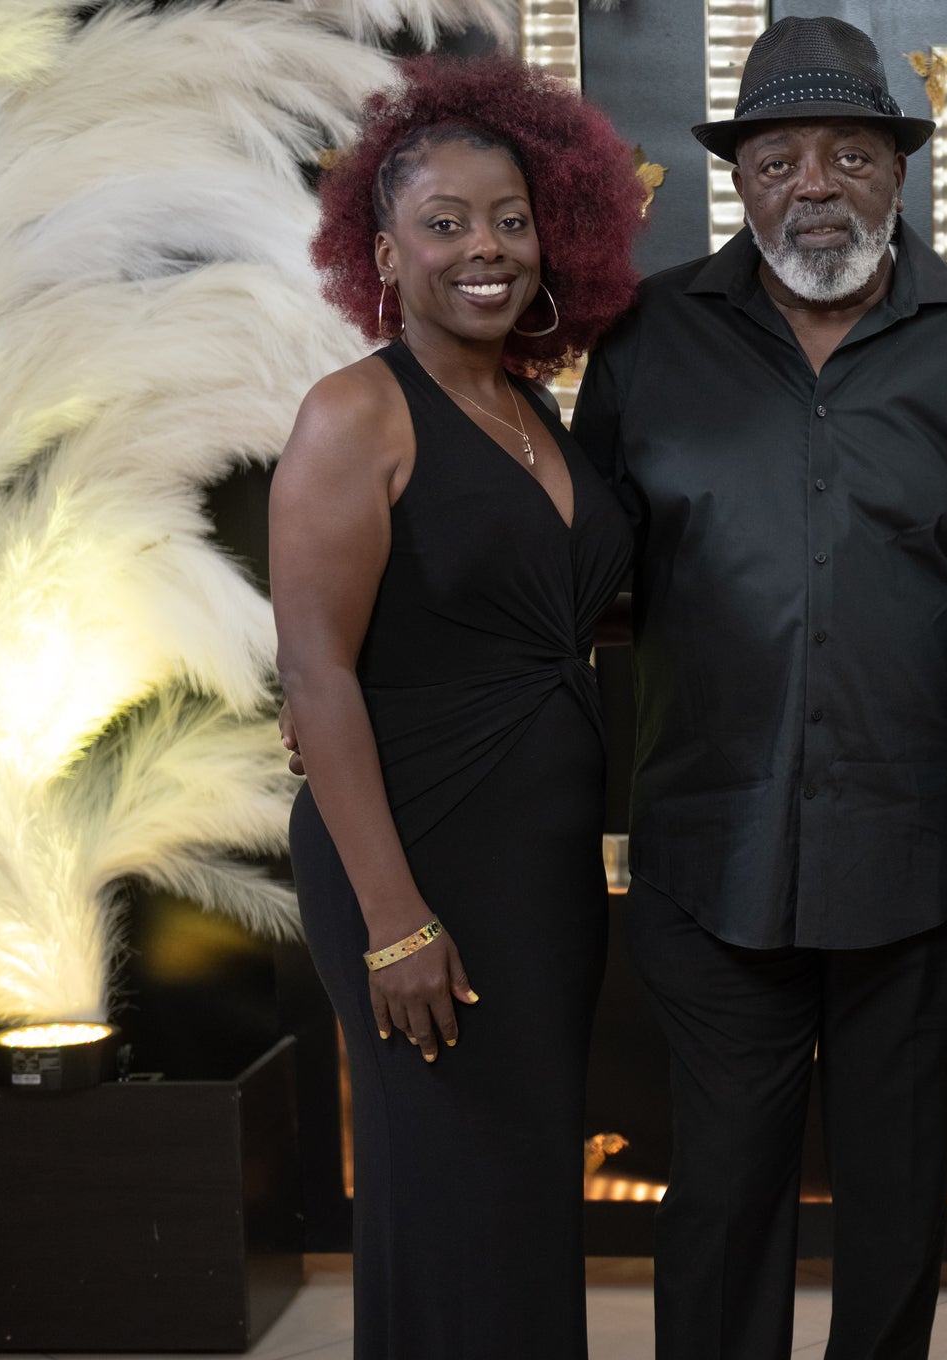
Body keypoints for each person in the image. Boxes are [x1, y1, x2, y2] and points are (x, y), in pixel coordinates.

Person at [567, 17, 947, 1359]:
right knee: (722, 1193)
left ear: (899, 168)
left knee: (898, 1196)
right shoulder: (648, 338)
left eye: (849, 153)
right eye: (778, 159)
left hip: (919, 850)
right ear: (739, 179)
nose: (815, 185)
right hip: (709, 848)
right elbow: (581, 569)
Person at [269, 55, 644, 1359]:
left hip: (539, 868)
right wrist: (393, 924)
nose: (486, 248)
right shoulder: (355, 414)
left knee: (523, 1190)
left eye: (511, 220)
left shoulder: (528, 407)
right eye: (445, 223)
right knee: (448, 1191)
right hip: (414, 858)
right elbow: (316, 675)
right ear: (384, 252)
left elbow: (540, 607)